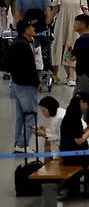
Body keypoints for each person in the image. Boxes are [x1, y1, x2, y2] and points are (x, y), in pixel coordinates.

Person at [8, 19, 40, 153]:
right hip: (27, 85)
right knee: (30, 115)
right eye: (31, 26)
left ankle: (18, 143)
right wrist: (36, 82)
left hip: (17, 83)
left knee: (21, 116)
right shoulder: (24, 45)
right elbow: (29, 68)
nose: (33, 28)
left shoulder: (16, 43)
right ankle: (22, 144)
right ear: (25, 29)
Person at [52, 0, 89, 85]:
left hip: (75, 25)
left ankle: (71, 76)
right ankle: (57, 73)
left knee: (72, 47)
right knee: (61, 46)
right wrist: (47, 21)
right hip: (62, 22)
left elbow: (85, 9)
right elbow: (55, 9)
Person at [71, 13, 89, 93]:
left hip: (85, 76)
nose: (74, 25)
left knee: (81, 100)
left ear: (83, 24)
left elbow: (72, 57)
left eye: (76, 23)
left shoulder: (81, 40)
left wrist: (69, 53)